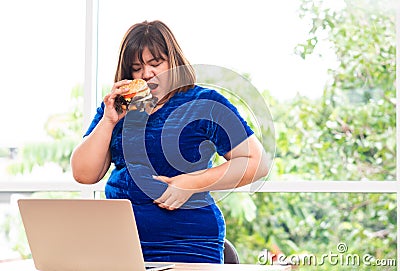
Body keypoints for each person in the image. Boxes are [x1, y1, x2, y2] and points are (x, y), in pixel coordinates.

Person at [70, 20, 269, 264]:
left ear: (174, 60)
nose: (146, 73)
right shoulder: (117, 107)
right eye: (136, 67)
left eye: (156, 63)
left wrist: (190, 183)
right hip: (120, 244)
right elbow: (84, 174)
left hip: (188, 244)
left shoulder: (204, 103)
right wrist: (109, 120)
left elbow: (257, 163)